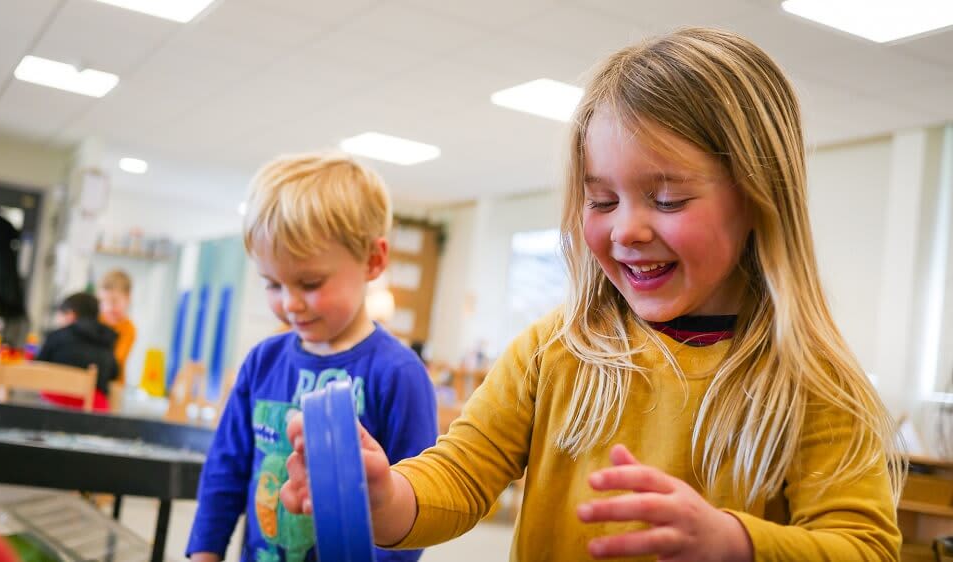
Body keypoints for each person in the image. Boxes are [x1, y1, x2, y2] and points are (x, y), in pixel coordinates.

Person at [282, 28, 905, 561]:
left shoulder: (812, 381)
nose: (626, 230)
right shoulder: (554, 349)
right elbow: (460, 474)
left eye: (666, 199)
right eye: (600, 200)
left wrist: (734, 542)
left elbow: (866, 546)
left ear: (757, 196)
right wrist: (387, 497)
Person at [187, 152, 438, 562]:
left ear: (373, 261)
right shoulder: (262, 363)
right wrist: (205, 552)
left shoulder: (399, 374)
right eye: (272, 284)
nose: (290, 304)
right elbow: (225, 471)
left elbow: (416, 504)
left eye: (309, 282)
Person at [38, 292, 119, 411]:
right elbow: (114, 373)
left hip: (56, 405)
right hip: (95, 409)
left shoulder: (57, 336)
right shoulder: (107, 338)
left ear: (71, 315)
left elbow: (38, 366)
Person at [96, 269, 136, 384]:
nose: (108, 307)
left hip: (114, 383)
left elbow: (118, 359)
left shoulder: (128, 328)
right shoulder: (96, 320)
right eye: (104, 301)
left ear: (128, 298)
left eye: (114, 301)